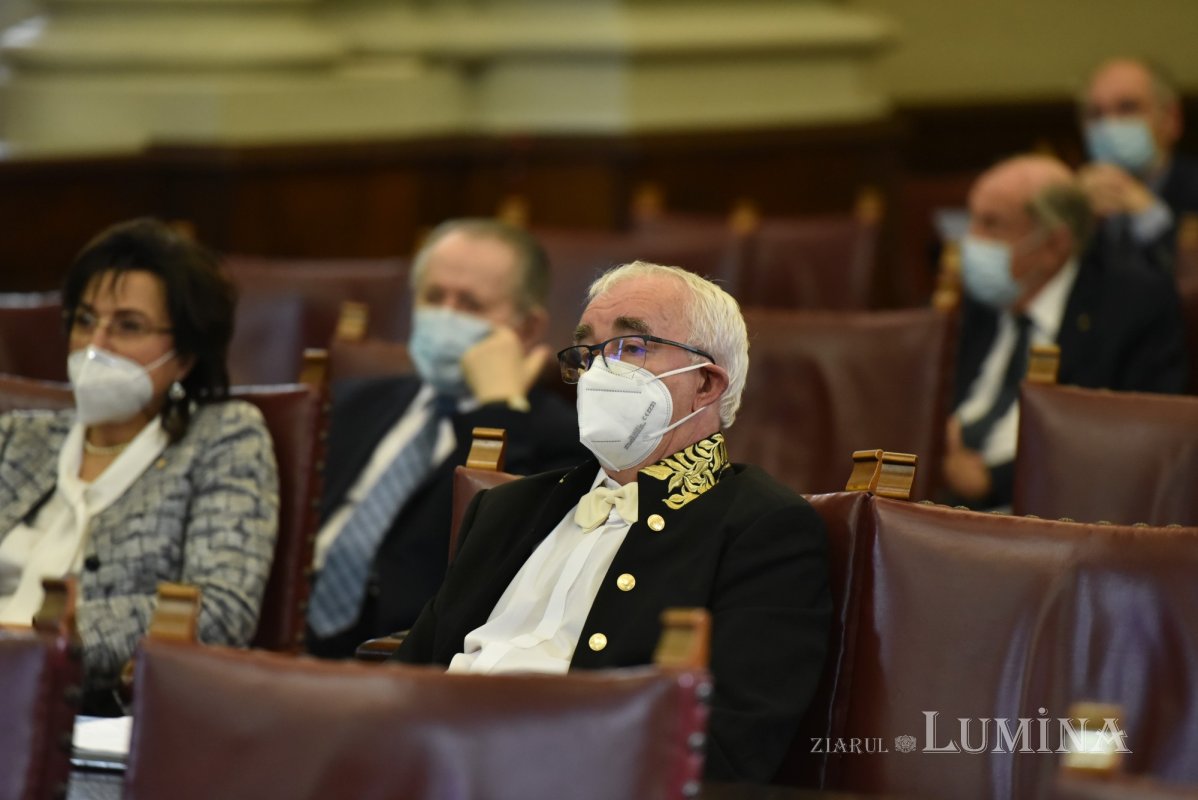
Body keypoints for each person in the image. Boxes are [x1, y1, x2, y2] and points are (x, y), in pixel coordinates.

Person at [392, 261, 832, 783]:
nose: (598, 372)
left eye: (630, 347)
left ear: (707, 383)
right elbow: (407, 678)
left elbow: (725, 753)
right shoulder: (509, 508)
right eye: (588, 352)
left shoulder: (763, 527)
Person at [0, 218, 279, 710]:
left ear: (186, 356)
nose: (96, 344)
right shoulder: (20, 436)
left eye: (128, 326)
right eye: (85, 320)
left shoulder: (224, 437)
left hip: (95, 709)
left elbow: (219, 610)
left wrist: (42, 638)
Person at [307, 219, 587, 658]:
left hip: (400, 656)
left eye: (471, 304)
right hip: (290, 636)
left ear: (528, 329)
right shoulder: (348, 404)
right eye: (434, 298)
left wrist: (499, 409)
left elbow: (495, 558)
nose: (446, 316)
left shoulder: (562, 439)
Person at [943, 155, 1188, 510]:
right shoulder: (981, 299)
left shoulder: (1132, 307)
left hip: (1053, 511)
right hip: (944, 498)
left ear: (1054, 244)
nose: (971, 241)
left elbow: (1136, 443)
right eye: (973, 220)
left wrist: (990, 481)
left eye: (991, 225)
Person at [1077, 57, 1198, 271]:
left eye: (1127, 109)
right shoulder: (1075, 197)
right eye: (1096, 114)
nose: (1110, 125)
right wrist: (1076, 223)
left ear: (1171, 119)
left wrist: (1149, 216)